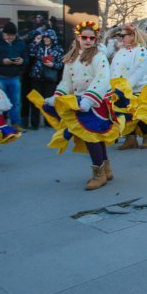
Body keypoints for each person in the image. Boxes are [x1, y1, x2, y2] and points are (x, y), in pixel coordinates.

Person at [29, 20, 120, 190]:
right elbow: (66, 82)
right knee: (93, 137)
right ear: (78, 37)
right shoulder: (71, 58)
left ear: (96, 39)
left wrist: (89, 99)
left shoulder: (99, 56)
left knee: (92, 136)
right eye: (84, 37)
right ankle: (105, 169)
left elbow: (101, 79)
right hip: (80, 101)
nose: (88, 40)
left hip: (96, 101)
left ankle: (99, 174)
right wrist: (57, 97)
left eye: (91, 38)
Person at [110, 24, 147, 150]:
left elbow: (139, 71)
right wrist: (112, 85)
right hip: (120, 89)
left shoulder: (141, 51)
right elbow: (114, 69)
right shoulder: (121, 51)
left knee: (139, 114)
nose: (121, 38)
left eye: (123, 36)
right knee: (125, 114)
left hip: (137, 89)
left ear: (132, 36)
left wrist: (126, 86)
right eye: (120, 36)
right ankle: (130, 138)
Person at [0, 22, 28, 131]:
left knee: (15, 102)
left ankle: (15, 124)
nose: (10, 38)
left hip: (15, 76)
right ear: (3, 33)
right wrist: (2, 61)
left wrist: (22, 61)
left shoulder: (20, 43)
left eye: (12, 36)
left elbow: (26, 58)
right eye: (8, 35)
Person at [27, 30, 64, 130]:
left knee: (49, 101)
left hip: (50, 78)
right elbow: (30, 53)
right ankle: (35, 123)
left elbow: (61, 64)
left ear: (53, 38)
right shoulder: (38, 46)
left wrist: (53, 65)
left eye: (48, 37)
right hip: (37, 76)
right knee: (36, 100)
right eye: (44, 37)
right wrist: (35, 42)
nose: (46, 39)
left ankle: (49, 122)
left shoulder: (58, 49)